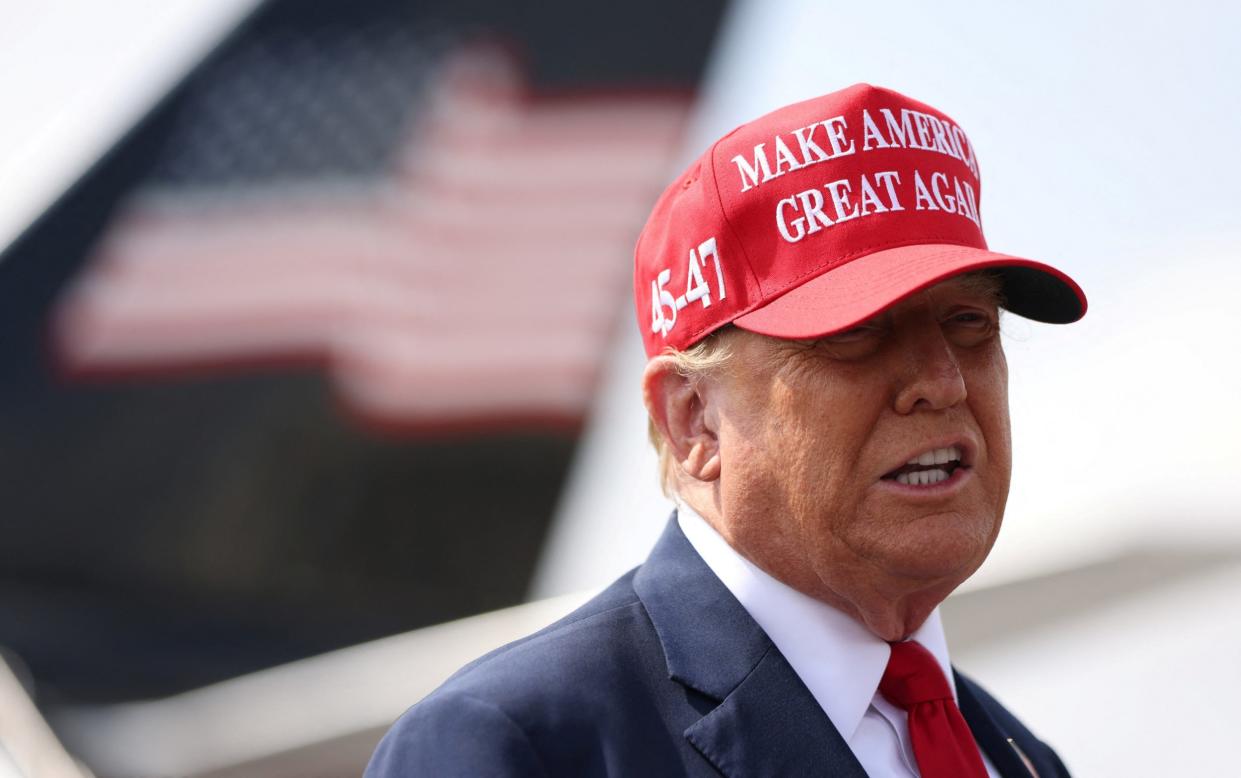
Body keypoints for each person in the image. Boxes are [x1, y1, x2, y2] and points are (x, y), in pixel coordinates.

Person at [366, 84, 1085, 777]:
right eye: (857, 332)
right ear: (692, 419)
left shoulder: (1017, 756)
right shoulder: (520, 747)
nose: (943, 382)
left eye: (970, 323)